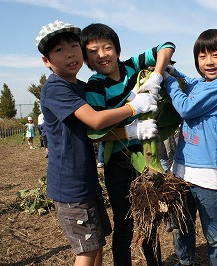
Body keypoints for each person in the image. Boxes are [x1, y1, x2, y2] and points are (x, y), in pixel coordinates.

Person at [36, 20, 159, 266]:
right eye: (59, 50)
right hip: (71, 185)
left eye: (73, 46)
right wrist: (132, 107)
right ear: (46, 60)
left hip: (87, 180)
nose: (70, 53)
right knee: (86, 251)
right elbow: (95, 121)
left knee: (97, 243)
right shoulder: (56, 88)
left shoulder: (82, 87)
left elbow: (98, 132)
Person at [80, 23, 175, 266]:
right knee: (124, 224)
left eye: (107, 47)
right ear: (87, 58)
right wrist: (131, 131)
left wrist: (155, 77)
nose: (102, 55)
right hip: (119, 162)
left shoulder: (132, 65)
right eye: (93, 51)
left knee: (149, 221)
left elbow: (167, 47)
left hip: (148, 160)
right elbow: (96, 131)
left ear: (117, 50)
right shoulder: (95, 85)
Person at [163, 29, 217, 265]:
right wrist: (171, 70)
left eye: (215, 55)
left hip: (207, 174)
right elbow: (187, 80)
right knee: (181, 228)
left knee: (216, 236)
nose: (209, 62)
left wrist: (167, 80)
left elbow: (185, 107)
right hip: (182, 170)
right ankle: (185, 262)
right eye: (202, 56)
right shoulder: (199, 84)